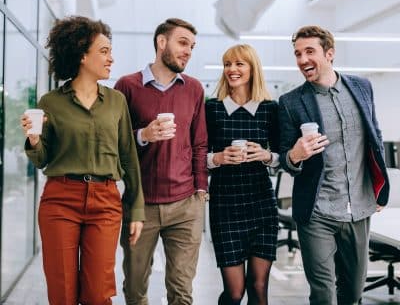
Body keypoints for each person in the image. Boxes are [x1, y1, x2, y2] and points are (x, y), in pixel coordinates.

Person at [20, 16, 145, 305]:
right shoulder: (51, 102)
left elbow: (128, 156)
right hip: (60, 201)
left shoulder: (116, 102)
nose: (111, 58)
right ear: (81, 54)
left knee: (98, 294)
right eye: (103, 51)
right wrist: (35, 139)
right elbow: (42, 159)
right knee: (62, 293)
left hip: (105, 202)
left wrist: (137, 208)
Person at [279, 25, 390, 305]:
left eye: (309, 51)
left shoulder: (361, 88)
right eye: (297, 54)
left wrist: (380, 188)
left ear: (329, 53)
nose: (302, 59)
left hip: (359, 208)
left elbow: (375, 139)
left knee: (352, 293)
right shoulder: (291, 102)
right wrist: (295, 154)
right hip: (318, 210)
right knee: (323, 295)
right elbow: (284, 159)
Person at [114, 18, 208, 305]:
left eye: (192, 46)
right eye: (182, 43)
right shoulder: (127, 86)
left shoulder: (194, 88)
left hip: (185, 204)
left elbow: (200, 143)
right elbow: (114, 142)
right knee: (135, 288)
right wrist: (143, 134)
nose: (188, 51)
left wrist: (201, 189)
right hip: (140, 204)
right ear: (161, 42)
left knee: (181, 291)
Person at [206, 44, 280, 305]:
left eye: (239, 64)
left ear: (252, 69)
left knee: (259, 287)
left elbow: (283, 157)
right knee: (235, 292)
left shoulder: (270, 109)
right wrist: (218, 158)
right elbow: (197, 158)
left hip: (262, 205)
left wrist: (266, 155)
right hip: (225, 206)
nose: (232, 70)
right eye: (227, 64)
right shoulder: (212, 109)